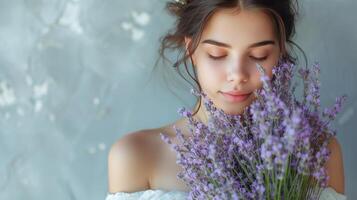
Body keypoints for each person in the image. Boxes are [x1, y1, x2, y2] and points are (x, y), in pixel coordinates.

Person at [106, 0, 346, 199]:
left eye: (259, 55)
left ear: (280, 54)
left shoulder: (318, 151)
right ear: (191, 51)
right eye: (217, 54)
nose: (238, 75)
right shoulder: (137, 156)